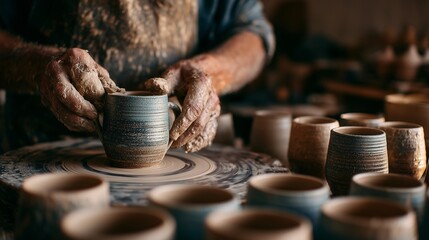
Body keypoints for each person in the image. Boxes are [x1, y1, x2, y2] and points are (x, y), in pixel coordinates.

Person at [0, 0, 274, 153]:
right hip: (41, 157)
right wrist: (38, 65)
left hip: (169, 163)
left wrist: (210, 71)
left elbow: (252, 34)